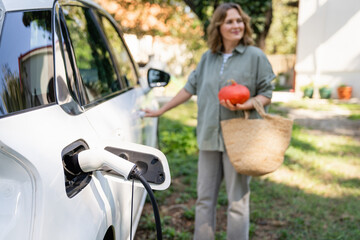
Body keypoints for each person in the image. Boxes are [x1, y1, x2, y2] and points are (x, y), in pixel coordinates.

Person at [144, 2, 275, 240]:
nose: (236, 25)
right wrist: (161, 110)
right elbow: (188, 89)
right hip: (209, 136)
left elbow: (267, 93)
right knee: (204, 199)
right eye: (229, 21)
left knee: (237, 200)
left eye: (239, 20)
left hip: (239, 138)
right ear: (218, 26)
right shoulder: (208, 58)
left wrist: (245, 104)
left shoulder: (256, 56)